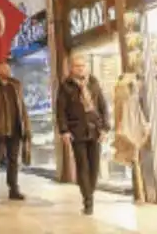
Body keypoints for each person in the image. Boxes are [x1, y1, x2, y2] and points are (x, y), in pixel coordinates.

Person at [56, 54, 110, 216]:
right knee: (83, 166)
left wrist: (105, 128)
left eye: (83, 65)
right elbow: (60, 111)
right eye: (77, 66)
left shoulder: (93, 83)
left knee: (94, 166)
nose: (80, 68)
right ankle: (88, 200)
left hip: (95, 129)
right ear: (71, 68)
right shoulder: (66, 86)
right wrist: (64, 131)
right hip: (76, 130)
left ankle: (90, 192)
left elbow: (102, 106)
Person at [0, 58, 30, 200]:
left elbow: (22, 107)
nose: (7, 72)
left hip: (15, 128)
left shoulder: (15, 85)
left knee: (13, 159)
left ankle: (13, 188)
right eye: (4, 69)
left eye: (8, 69)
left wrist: (26, 124)